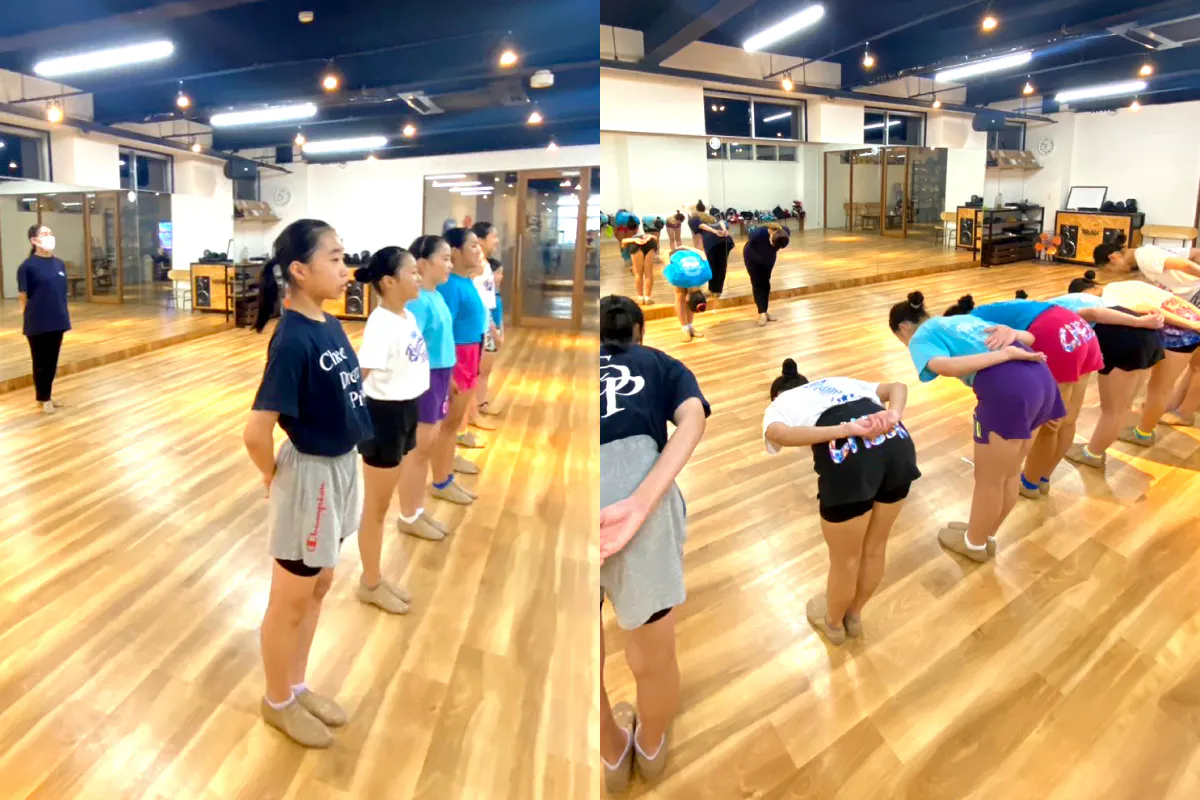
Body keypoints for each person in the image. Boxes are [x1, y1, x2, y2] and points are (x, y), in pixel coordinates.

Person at [242, 219, 372, 748]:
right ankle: (276, 702)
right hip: (310, 477)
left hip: (340, 467)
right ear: (300, 270)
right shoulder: (293, 337)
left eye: (344, 256)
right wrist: (275, 477)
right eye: (334, 258)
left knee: (318, 586)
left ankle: (296, 686)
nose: (346, 268)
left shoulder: (329, 324)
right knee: (290, 599)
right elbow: (256, 432)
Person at [599, 295, 708, 793]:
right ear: (638, 332)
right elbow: (693, 419)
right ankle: (650, 749)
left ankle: (611, 755)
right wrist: (642, 502)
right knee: (653, 659)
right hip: (636, 488)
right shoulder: (658, 362)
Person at [889, 291, 1063, 562]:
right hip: (1042, 379)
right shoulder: (965, 320)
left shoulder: (920, 336)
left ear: (903, 328)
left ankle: (975, 544)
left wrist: (1004, 355)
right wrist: (1011, 335)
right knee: (1009, 473)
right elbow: (1028, 338)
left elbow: (945, 367)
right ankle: (984, 534)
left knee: (989, 480)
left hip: (1010, 389)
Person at [763, 359, 918, 644]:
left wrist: (845, 430)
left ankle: (834, 625)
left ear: (776, 394)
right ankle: (854, 617)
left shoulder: (779, 403)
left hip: (849, 458)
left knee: (845, 560)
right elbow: (898, 386)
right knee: (875, 547)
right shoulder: (838, 381)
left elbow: (778, 434)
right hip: (898, 442)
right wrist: (893, 415)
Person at [944, 293, 1103, 499]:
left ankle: (1030, 483)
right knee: (1068, 419)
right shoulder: (991, 309)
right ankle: (1043, 478)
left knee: (1049, 424)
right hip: (1079, 329)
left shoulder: (974, 323)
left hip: (1055, 335)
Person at [352, 246, 427, 615]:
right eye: (411, 272)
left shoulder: (406, 315)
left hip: (406, 409)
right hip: (384, 417)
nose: (418, 277)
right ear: (389, 281)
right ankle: (370, 583)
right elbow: (360, 375)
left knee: (383, 504)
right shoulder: (381, 324)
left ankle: (375, 579)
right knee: (377, 508)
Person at [1074, 276, 1200, 450]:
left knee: (1159, 388)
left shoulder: (1109, 298)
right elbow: (1174, 299)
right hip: (1189, 328)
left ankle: (1143, 434)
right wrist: (1196, 319)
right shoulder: (1122, 283)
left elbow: (1152, 310)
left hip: (1177, 334)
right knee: (1163, 387)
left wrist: (1193, 326)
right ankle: (1144, 431)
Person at [1094, 234, 1200, 426]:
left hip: (1191, 309)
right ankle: (1177, 407)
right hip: (1189, 307)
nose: (1115, 273)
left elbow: (1186, 265)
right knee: (1193, 366)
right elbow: (1193, 254)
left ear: (1113, 258)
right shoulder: (1145, 258)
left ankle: (1181, 414)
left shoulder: (1143, 255)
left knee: (1175, 378)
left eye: (1110, 269)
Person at [395, 235, 456, 540]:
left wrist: (450, 378)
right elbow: (410, 349)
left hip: (440, 376)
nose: (450, 265)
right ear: (422, 263)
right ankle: (408, 514)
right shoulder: (418, 302)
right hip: (425, 380)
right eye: (444, 259)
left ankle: (417, 510)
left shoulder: (436, 295)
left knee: (426, 449)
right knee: (418, 452)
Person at [432, 227, 487, 503]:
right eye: (473, 245)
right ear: (455, 251)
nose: (479, 250)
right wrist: (451, 371)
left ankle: (448, 464)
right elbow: (445, 330)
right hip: (458, 356)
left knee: (454, 422)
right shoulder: (451, 285)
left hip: (471, 352)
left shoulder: (466, 281)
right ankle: (441, 481)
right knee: (449, 422)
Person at [16, 224, 70, 414]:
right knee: (40, 361)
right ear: (34, 240)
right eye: (45, 234)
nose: (50, 236)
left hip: (58, 318)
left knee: (52, 360)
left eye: (51, 233)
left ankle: (47, 394)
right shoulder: (27, 266)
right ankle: (43, 397)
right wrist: (28, 317)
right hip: (38, 320)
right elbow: (23, 295)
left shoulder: (59, 264)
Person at [467, 221, 500, 433]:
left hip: (485, 318)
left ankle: (480, 404)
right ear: (480, 240)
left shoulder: (486, 263)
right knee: (474, 370)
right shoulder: (474, 265)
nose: (496, 241)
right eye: (493, 236)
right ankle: (472, 414)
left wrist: (493, 325)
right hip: (477, 322)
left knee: (485, 367)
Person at [743, 223, 790, 327]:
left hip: (768, 256)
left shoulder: (785, 232)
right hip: (753, 256)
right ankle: (761, 313)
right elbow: (750, 242)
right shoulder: (758, 234)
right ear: (771, 235)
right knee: (757, 283)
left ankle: (765, 310)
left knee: (766, 282)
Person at [661, 247, 711, 344]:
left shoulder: (706, 274)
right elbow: (665, 256)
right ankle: (684, 328)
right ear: (687, 298)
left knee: (692, 300)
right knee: (679, 295)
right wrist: (669, 251)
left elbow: (701, 253)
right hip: (676, 261)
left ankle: (690, 326)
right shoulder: (675, 277)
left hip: (689, 257)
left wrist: (687, 247)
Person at [687, 212, 732, 304]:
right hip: (726, 240)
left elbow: (701, 226)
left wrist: (714, 232)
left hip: (712, 241)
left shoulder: (693, 219)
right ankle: (717, 291)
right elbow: (722, 222)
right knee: (721, 267)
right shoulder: (713, 220)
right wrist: (724, 231)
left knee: (712, 267)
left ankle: (712, 290)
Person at [622, 217, 662, 306]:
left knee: (638, 273)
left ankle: (640, 298)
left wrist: (633, 240)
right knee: (649, 273)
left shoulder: (629, 238)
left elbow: (623, 242)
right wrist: (650, 237)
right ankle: (647, 298)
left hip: (636, 245)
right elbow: (655, 238)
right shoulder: (646, 235)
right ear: (637, 228)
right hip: (650, 243)